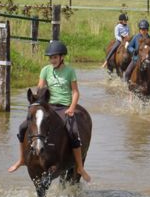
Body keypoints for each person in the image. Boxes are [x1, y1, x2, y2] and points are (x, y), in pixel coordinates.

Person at [8, 40, 91, 183]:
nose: (52, 60)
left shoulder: (70, 71)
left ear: (61, 57)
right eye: (51, 58)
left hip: (64, 107)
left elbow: (75, 92)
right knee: (22, 127)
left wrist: (71, 108)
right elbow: (40, 88)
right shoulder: (45, 70)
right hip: (49, 107)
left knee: (73, 133)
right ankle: (22, 159)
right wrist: (37, 99)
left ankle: (79, 167)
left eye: (55, 57)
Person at [124, 19, 150, 101]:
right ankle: (130, 91)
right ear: (139, 29)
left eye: (145, 29)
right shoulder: (136, 38)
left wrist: (149, 53)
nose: (144, 31)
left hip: (148, 59)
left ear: (147, 30)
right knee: (127, 72)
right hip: (136, 59)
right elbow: (129, 47)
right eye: (142, 29)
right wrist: (133, 51)